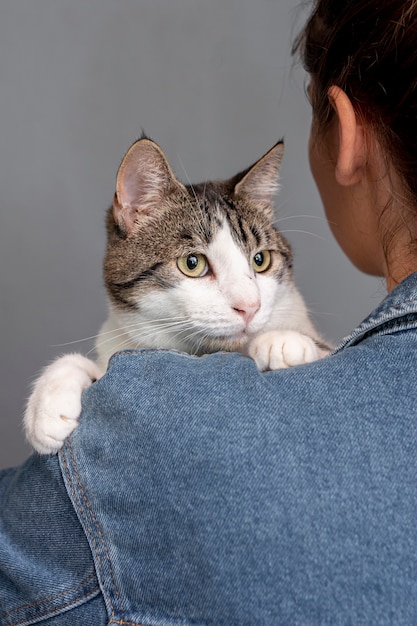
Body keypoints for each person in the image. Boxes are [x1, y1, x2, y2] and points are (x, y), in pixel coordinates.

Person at [2, 0, 417, 623]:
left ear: (345, 130)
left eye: (258, 264)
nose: (248, 302)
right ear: (132, 219)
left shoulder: (144, 431)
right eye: (195, 265)